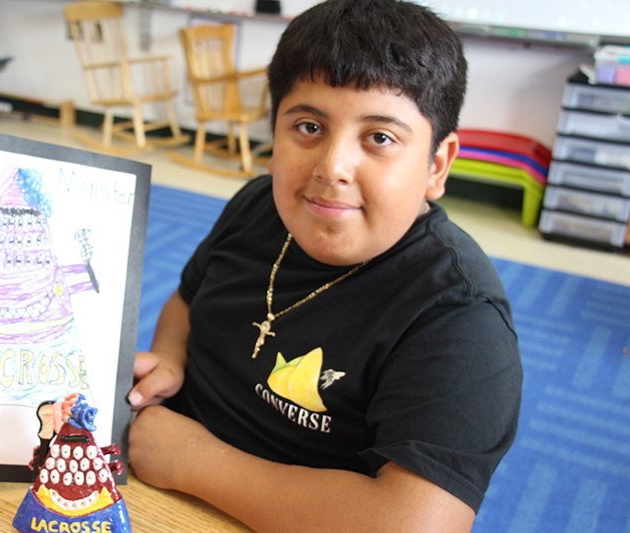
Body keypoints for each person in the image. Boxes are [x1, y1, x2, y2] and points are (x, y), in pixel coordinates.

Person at [127, 0, 523, 530]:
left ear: (437, 164)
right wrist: (171, 358)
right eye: (309, 127)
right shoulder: (257, 205)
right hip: (157, 478)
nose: (332, 167)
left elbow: (415, 522)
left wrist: (195, 462)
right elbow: (187, 299)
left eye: (379, 138)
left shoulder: (457, 317)